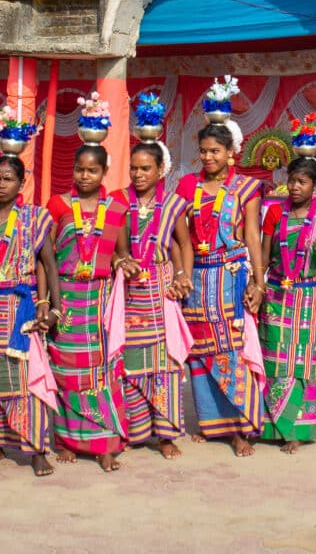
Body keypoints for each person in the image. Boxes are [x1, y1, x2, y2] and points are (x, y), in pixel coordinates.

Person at [175, 122, 265, 457]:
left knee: (231, 350)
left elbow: (253, 236)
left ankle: (241, 428)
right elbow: (176, 232)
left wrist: (258, 281)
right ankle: (213, 425)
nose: (208, 157)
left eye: (215, 151)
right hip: (197, 279)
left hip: (230, 278)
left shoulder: (246, 188)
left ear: (231, 153)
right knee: (200, 353)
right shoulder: (188, 185)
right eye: (203, 150)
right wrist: (180, 272)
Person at [0, 155, 62, 477]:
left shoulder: (35, 218)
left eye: (8, 179)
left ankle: (36, 450)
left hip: (20, 307)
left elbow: (49, 264)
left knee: (25, 379)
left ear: (21, 183)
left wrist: (52, 306)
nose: (0, 184)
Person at [46, 144, 135, 472]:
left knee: (101, 370)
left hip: (99, 298)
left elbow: (119, 252)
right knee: (65, 369)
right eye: (79, 169)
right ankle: (67, 440)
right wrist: (50, 302)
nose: (84, 176)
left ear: (103, 174)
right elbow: (48, 256)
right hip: (66, 297)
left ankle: (105, 443)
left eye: (92, 171)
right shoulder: (58, 204)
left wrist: (127, 262)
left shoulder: (116, 208)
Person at [259, 157, 316, 453]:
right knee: (275, 360)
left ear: (315, 186)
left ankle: (297, 429)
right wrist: (258, 284)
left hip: (310, 296)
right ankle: (273, 426)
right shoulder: (274, 213)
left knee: (304, 363)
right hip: (278, 293)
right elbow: (264, 254)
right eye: (291, 180)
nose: (294, 187)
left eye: (302, 182)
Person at [123, 142, 193, 459]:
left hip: (162, 288)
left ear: (160, 170)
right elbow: (113, 244)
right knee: (130, 361)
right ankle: (136, 430)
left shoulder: (174, 204)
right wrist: (121, 260)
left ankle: (166, 436)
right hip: (128, 292)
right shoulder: (118, 202)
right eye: (134, 168)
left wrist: (182, 275)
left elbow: (183, 244)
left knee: (165, 364)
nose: (138, 174)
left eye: (145, 168)